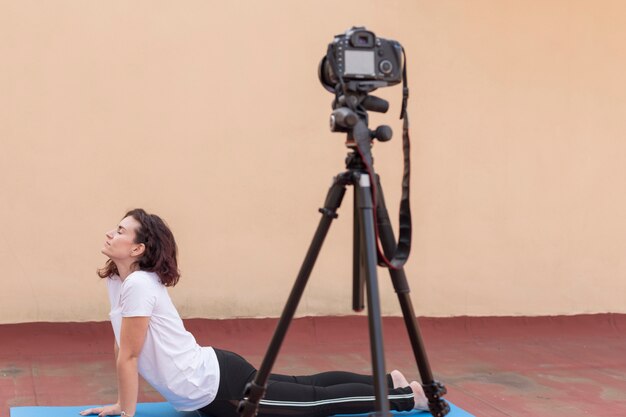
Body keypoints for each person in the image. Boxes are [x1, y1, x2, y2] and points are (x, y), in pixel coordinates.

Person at [80, 209, 429, 417]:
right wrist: (120, 403)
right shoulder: (119, 279)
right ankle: (389, 382)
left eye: (121, 231)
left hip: (217, 388)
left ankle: (406, 397)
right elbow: (121, 344)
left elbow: (130, 355)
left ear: (138, 248)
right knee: (303, 386)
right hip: (211, 378)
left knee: (312, 404)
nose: (111, 233)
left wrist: (126, 412)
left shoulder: (139, 283)